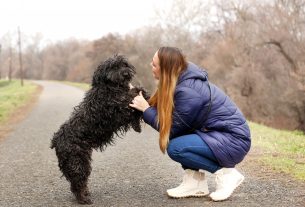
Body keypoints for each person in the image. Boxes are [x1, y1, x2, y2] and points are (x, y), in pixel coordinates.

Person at [129, 46, 251, 201]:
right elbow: (175, 121)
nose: (150, 65)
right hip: (217, 134)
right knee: (180, 137)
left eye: (154, 64)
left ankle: (226, 175)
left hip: (233, 140)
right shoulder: (179, 80)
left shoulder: (188, 91)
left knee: (176, 147)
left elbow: (171, 129)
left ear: (165, 69)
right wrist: (135, 97)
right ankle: (194, 183)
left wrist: (146, 110)